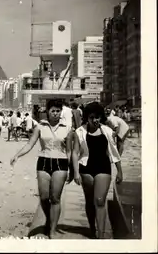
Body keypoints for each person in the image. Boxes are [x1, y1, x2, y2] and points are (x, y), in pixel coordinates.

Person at [10, 99, 71, 239]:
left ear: (61, 112)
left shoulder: (67, 128)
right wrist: (17, 155)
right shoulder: (40, 127)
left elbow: (69, 151)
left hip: (61, 163)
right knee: (44, 197)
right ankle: (49, 219)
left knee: (55, 198)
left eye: (58, 111)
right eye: (53, 111)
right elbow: (30, 144)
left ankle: (53, 229)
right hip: (43, 161)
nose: (55, 114)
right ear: (47, 112)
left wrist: (72, 169)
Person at [71, 102, 123, 239]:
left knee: (99, 200)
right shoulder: (79, 132)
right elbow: (75, 153)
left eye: (98, 117)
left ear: (101, 117)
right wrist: (76, 172)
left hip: (103, 168)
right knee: (89, 201)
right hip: (86, 168)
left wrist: (119, 171)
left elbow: (114, 152)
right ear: (87, 118)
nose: (95, 120)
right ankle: (92, 228)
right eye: (92, 117)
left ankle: (101, 233)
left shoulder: (107, 131)